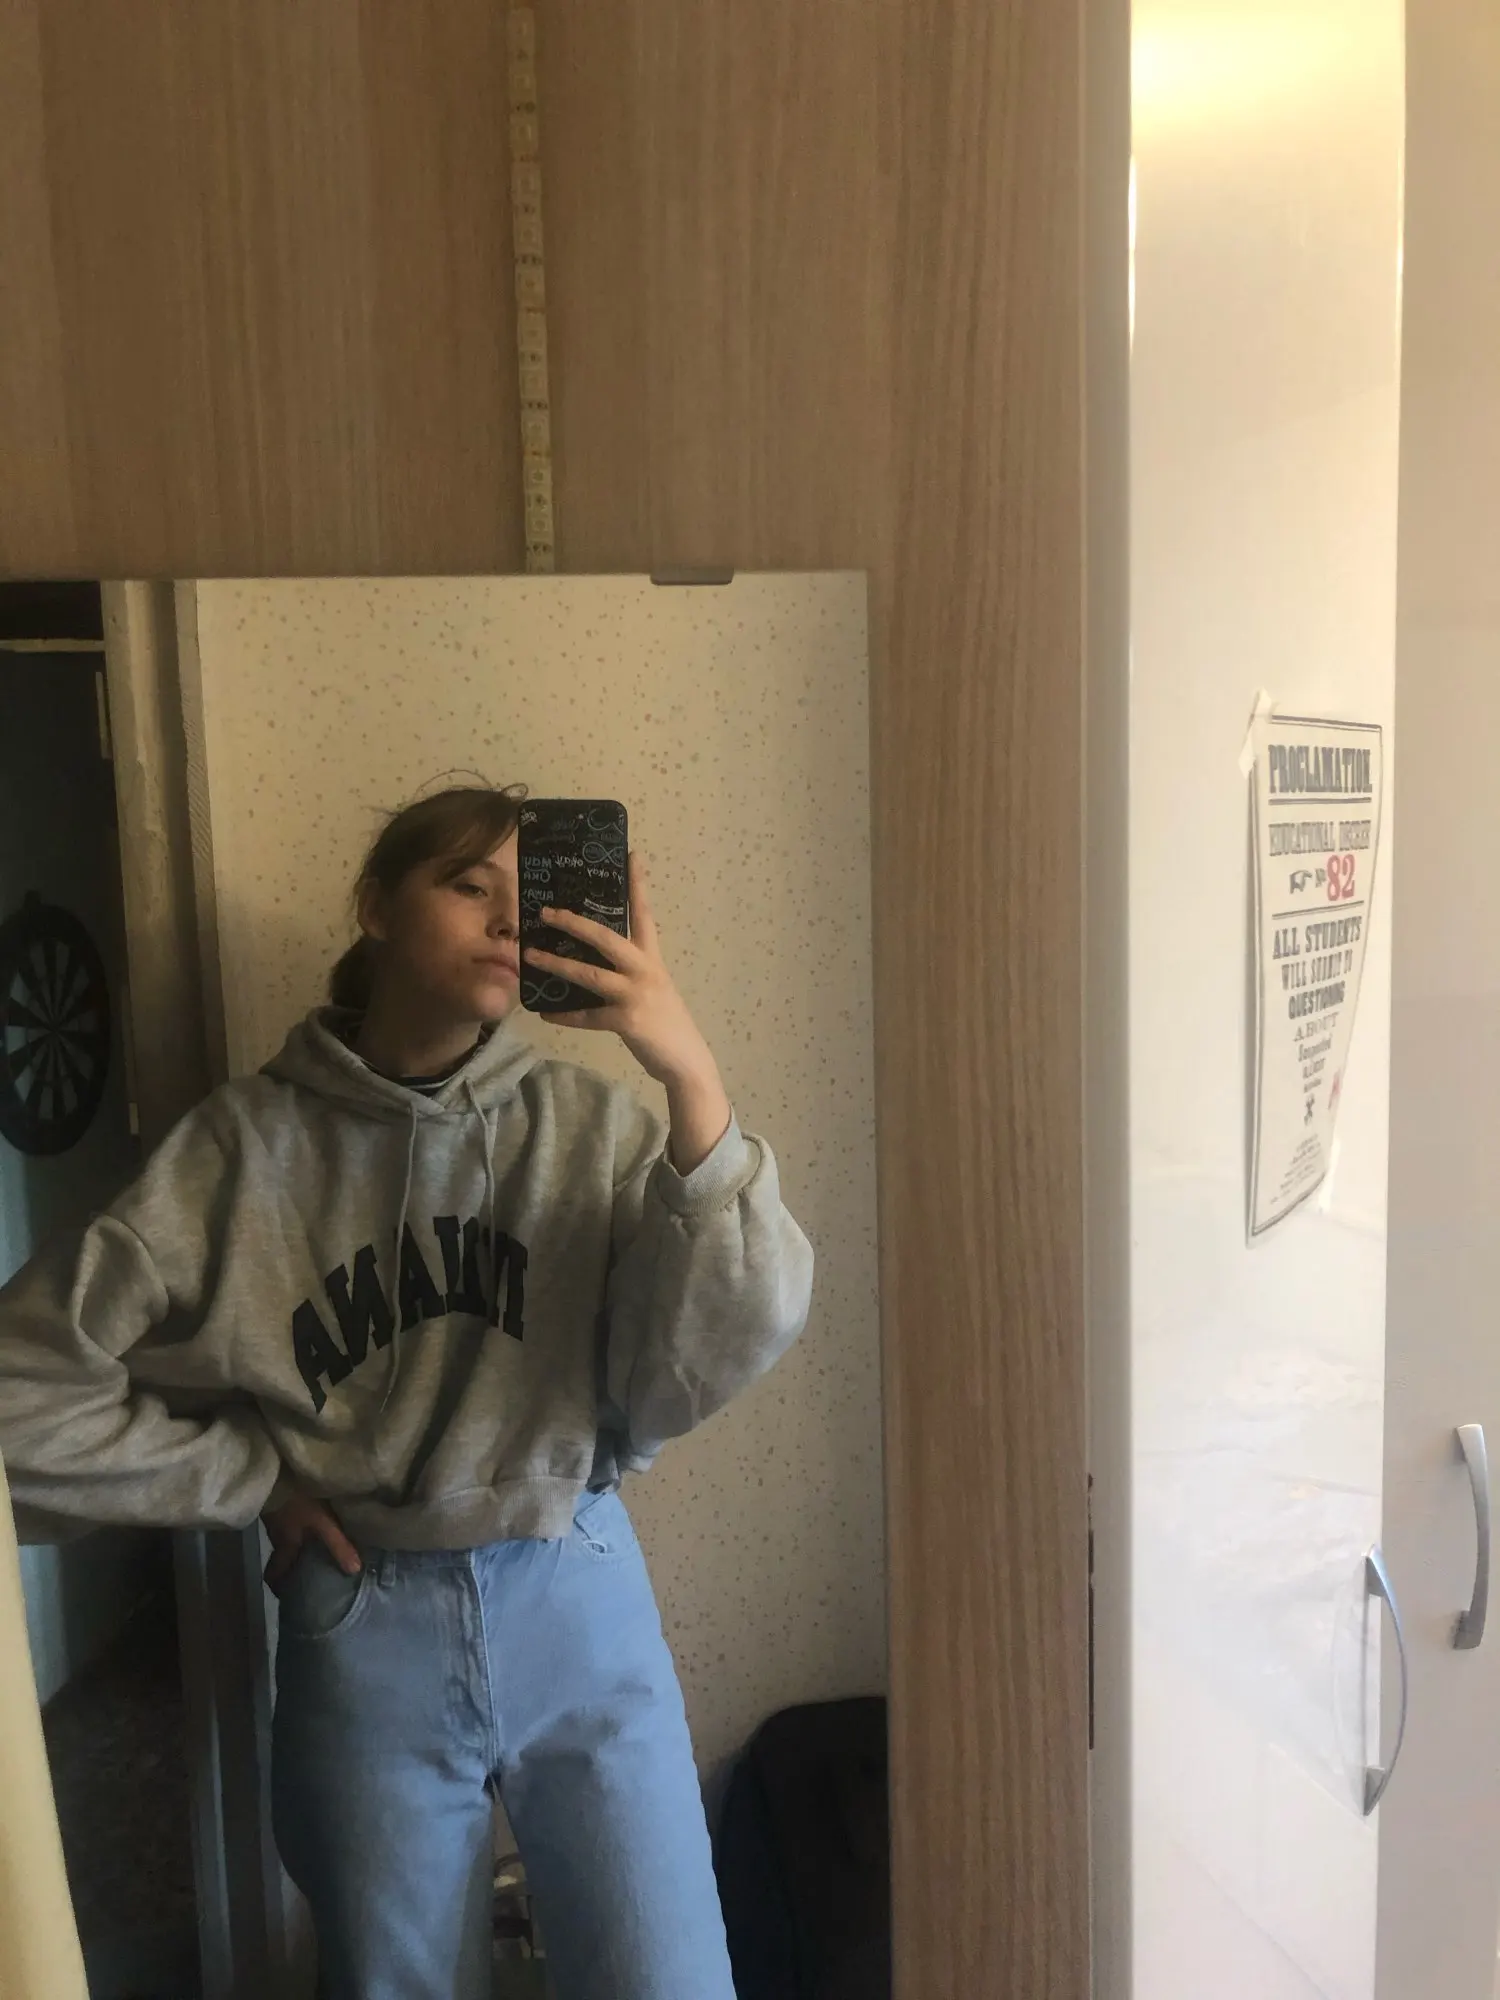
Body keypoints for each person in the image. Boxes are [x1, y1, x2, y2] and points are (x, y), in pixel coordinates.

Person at [0, 783, 814, 2000]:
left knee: (670, 1978)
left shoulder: (587, 1125)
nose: (506, 919)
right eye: (466, 883)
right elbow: (22, 1392)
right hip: (363, 1614)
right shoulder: (237, 1153)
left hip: (575, 1582)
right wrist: (250, 1475)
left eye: (526, 894)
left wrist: (686, 1068)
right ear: (375, 906)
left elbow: (724, 1338)